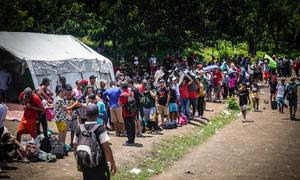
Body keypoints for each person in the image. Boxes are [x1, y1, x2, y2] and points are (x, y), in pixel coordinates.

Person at [73, 104, 117, 180]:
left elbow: (74, 146)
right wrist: (112, 162)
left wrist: (80, 161)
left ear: (85, 114)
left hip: (85, 163)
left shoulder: (79, 128)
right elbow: (106, 148)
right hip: (99, 164)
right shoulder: (100, 128)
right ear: (97, 115)